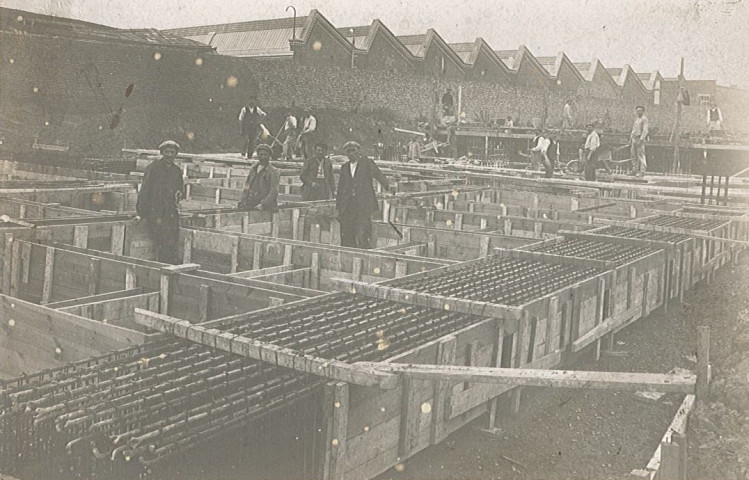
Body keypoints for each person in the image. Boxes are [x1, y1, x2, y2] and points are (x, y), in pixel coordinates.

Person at [336, 141, 394, 249]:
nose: (351, 153)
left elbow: (378, 175)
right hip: (348, 205)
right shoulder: (344, 167)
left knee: (362, 231)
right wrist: (338, 208)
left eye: (353, 150)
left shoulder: (367, 163)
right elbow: (340, 189)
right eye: (348, 152)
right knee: (347, 232)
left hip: (362, 204)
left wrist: (388, 186)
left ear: (359, 151)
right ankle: (348, 255)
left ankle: (363, 253)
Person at [135, 140, 184, 264]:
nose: (169, 155)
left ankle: (171, 263)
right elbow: (145, 190)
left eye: (172, 152)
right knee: (162, 239)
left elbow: (180, 188)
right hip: (155, 211)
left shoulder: (176, 170)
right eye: (166, 152)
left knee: (173, 236)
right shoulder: (153, 168)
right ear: (162, 153)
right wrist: (141, 213)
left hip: (170, 211)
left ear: (175, 154)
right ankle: (165, 265)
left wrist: (179, 193)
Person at [237, 144, 280, 211]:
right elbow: (247, 185)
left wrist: (263, 204)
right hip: (252, 201)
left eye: (265, 155)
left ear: (269, 156)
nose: (263, 157)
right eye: (261, 154)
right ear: (258, 155)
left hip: (266, 205)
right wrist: (242, 199)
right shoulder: (253, 169)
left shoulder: (273, 171)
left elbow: (274, 191)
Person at [630, 105, 649, 176]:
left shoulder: (644, 119)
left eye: (640, 111)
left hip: (639, 138)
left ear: (643, 111)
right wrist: (631, 138)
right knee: (633, 155)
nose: (638, 112)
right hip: (634, 138)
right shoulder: (636, 119)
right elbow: (633, 130)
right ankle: (634, 170)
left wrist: (641, 139)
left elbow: (645, 130)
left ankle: (642, 171)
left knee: (641, 155)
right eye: (637, 111)